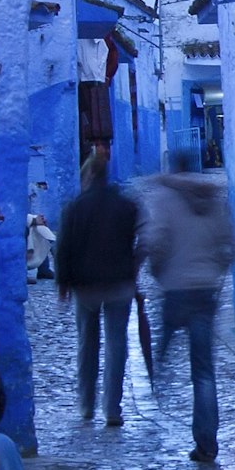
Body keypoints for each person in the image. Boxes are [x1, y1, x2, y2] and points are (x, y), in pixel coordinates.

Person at [138, 145, 235, 464]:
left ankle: (156, 393)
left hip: (176, 289)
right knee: (204, 372)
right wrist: (216, 269)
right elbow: (232, 246)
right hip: (206, 291)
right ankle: (207, 444)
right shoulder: (214, 199)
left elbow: (156, 242)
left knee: (165, 346)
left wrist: (159, 272)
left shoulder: (163, 198)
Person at [54, 159, 141, 428]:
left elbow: (63, 247)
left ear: (88, 175)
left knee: (86, 345)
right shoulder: (127, 207)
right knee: (117, 346)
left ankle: (86, 404)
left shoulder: (75, 208)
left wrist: (63, 283)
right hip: (119, 286)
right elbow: (138, 242)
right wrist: (132, 270)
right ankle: (112, 408)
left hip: (86, 287)